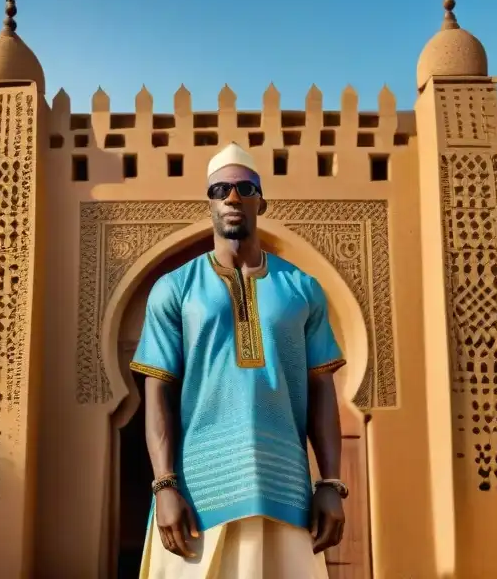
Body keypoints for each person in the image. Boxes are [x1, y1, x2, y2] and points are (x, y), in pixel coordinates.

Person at [130, 142, 348, 578]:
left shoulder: (303, 288)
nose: (232, 197)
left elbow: (323, 390)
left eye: (245, 188)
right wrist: (164, 484)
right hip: (199, 493)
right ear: (208, 202)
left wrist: (329, 483)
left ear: (261, 201)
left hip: (285, 488)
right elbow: (157, 392)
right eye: (220, 189)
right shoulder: (174, 289)